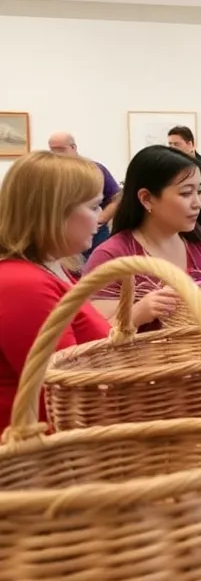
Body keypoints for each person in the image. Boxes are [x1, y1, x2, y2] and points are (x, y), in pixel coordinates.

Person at [84, 145, 201, 331]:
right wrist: (137, 314)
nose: (197, 203)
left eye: (198, 191)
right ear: (147, 199)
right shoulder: (112, 256)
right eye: (185, 193)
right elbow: (97, 336)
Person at [0, 152, 111, 429]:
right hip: (43, 455)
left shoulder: (53, 270)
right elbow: (60, 393)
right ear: (55, 211)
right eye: (95, 206)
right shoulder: (25, 284)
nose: (101, 218)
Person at [47, 131, 120, 260]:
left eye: (60, 149)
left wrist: (101, 218)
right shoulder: (49, 173)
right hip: (62, 234)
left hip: (95, 232)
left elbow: (116, 198)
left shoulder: (94, 170)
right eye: (53, 150)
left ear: (73, 147)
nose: (56, 154)